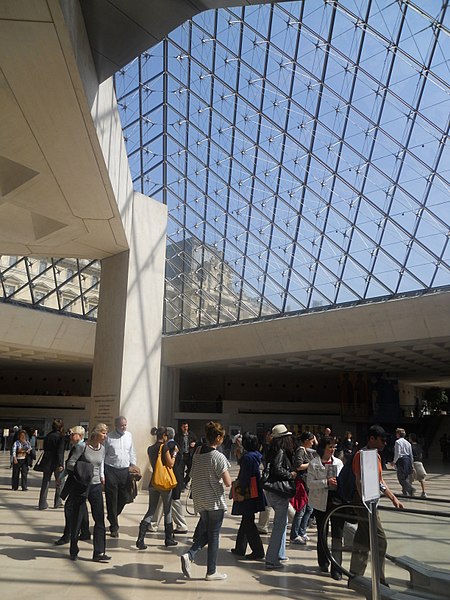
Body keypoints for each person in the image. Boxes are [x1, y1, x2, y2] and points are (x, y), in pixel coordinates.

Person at [349, 424, 403, 585]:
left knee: (363, 537)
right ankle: (379, 579)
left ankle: (355, 575)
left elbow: (379, 480)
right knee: (380, 540)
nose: (385, 443)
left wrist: (393, 497)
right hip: (364, 502)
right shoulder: (361, 455)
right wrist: (364, 501)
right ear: (372, 439)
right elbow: (358, 480)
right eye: (382, 439)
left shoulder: (376, 456)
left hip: (370, 501)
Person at [180, 421, 231, 581]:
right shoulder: (218, 456)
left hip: (200, 499)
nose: (223, 439)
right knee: (214, 535)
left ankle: (191, 555)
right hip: (214, 500)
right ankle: (210, 571)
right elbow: (228, 481)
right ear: (217, 437)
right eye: (222, 437)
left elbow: (193, 473)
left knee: (209, 532)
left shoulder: (197, 453)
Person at [68, 423, 110, 562]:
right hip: (82, 485)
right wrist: (83, 471)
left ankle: (99, 552)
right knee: (78, 517)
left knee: (99, 519)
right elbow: (70, 463)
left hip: (96, 485)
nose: (105, 436)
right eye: (103, 433)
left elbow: (100, 463)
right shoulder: (82, 447)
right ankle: (73, 548)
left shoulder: (102, 449)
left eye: (106, 433)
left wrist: (102, 476)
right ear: (96, 433)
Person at [307, 436, 344, 580]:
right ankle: (323, 561)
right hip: (320, 502)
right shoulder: (314, 464)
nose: (333, 449)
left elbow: (343, 479)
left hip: (336, 503)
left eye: (334, 447)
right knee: (322, 532)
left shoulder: (339, 463)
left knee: (337, 535)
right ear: (323, 448)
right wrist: (325, 482)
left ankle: (337, 568)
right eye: (330, 447)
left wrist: (337, 483)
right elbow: (310, 483)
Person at [136, 426, 178, 549]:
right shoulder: (163, 447)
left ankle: (140, 538)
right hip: (164, 483)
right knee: (167, 510)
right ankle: (168, 539)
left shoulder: (150, 448)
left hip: (153, 482)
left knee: (151, 509)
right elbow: (170, 463)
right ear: (164, 435)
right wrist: (174, 453)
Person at [262, 424, 296, 570]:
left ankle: (279, 554)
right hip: (279, 491)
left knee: (280, 524)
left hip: (270, 490)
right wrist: (291, 475)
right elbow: (277, 469)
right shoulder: (281, 451)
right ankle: (271, 558)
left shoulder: (270, 449)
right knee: (279, 526)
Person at [231, 432, 266, 560]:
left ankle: (258, 550)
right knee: (246, 519)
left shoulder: (247, 458)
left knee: (248, 522)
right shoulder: (256, 456)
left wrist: (240, 493)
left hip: (247, 493)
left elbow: (245, 477)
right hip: (255, 491)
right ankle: (240, 547)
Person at [54, 426, 90, 546]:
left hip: (76, 481)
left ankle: (67, 535)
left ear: (79, 436)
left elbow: (70, 464)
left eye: (72, 434)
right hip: (81, 480)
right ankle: (84, 531)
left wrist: (62, 475)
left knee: (70, 507)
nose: (70, 437)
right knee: (81, 506)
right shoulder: (79, 446)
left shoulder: (80, 447)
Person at [104, 415, 139, 538]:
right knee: (112, 498)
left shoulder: (129, 436)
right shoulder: (108, 437)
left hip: (125, 471)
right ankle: (114, 526)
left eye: (125, 425)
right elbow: (104, 454)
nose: (124, 427)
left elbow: (131, 451)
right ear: (116, 426)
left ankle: (112, 515)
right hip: (111, 469)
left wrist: (133, 465)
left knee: (125, 497)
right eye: (121, 425)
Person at [290, 431, 315, 545]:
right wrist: (310, 464)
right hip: (302, 483)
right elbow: (298, 466)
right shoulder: (300, 450)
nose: (313, 443)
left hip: (307, 483)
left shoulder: (306, 451)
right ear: (306, 440)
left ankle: (302, 531)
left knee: (309, 509)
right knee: (301, 509)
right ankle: (295, 534)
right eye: (311, 440)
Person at [38, 418, 65, 510]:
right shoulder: (61, 437)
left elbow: (45, 448)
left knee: (45, 482)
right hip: (56, 461)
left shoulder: (48, 435)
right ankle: (57, 502)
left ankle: (42, 503)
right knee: (59, 482)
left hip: (47, 461)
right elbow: (60, 452)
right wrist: (61, 463)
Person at [393, 428, 414, 496]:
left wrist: (394, 462)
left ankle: (410, 489)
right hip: (408, 460)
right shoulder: (408, 443)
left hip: (401, 460)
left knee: (401, 478)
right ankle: (405, 492)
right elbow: (411, 454)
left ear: (398, 434)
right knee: (406, 477)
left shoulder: (398, 442)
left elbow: (397, 453)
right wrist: (411, 463)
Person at [175, 422, 197, 486]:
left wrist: (194, 443)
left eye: (186, 426)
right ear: (181, 427)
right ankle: (181, 485)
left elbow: (197, 441)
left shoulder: (191, 434)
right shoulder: (178, 435)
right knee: (180, 471)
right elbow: (176, 444)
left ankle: (185, 481)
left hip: (189, 455)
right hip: (181, 455)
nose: (185, 428)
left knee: (191, 469)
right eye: (184, 427)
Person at [409, 433, 427, 499]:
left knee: (410, 478)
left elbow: (409, 455)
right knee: (422, 478)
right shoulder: (419, 445)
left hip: (413, 462)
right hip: (419, 462)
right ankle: (424, 492)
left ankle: (410, 491)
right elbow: (421, 454)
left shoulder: (410, 446)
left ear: (410, 438)